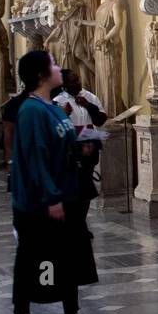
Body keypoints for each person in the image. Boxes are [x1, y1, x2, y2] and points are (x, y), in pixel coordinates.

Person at [8, 50, 104, 314]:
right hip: (39, 201)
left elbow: (59, 140)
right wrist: (51, 197)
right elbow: (36, 156)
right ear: (40, 74)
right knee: (33, 255)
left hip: (65, 192)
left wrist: (81, 144)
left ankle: (71, 313)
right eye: (52, 64)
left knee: (67, 254)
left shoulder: (50, 106)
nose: (58, 67)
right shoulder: (31, 110)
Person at [53, 69, 107, 237]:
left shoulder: (90, 97)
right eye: (73, 81)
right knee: (72, 188)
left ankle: (81, 222)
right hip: (71, 149)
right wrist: (64, 114)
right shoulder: (58, 101)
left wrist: (88, 106)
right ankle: (72, 223)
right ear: (64, 84)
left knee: (86, 187)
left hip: (90, 146)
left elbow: (100, 120)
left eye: (78, 80)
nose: (77, 83)